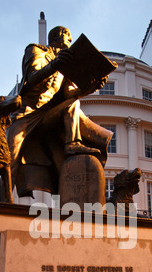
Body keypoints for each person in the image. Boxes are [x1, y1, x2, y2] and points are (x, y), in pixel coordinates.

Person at [7, 26, 111, 197]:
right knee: (11, 157)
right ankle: (5, 202)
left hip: (46, 116)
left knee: (73, 102)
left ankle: (72, 143)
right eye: (69, 38)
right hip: (26, 114)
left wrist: (90, 88)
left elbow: (69, 94)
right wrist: (56, 64)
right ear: (60, 35)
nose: (70, 42)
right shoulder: (36, 50)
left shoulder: (67, 63)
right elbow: (32, 78)